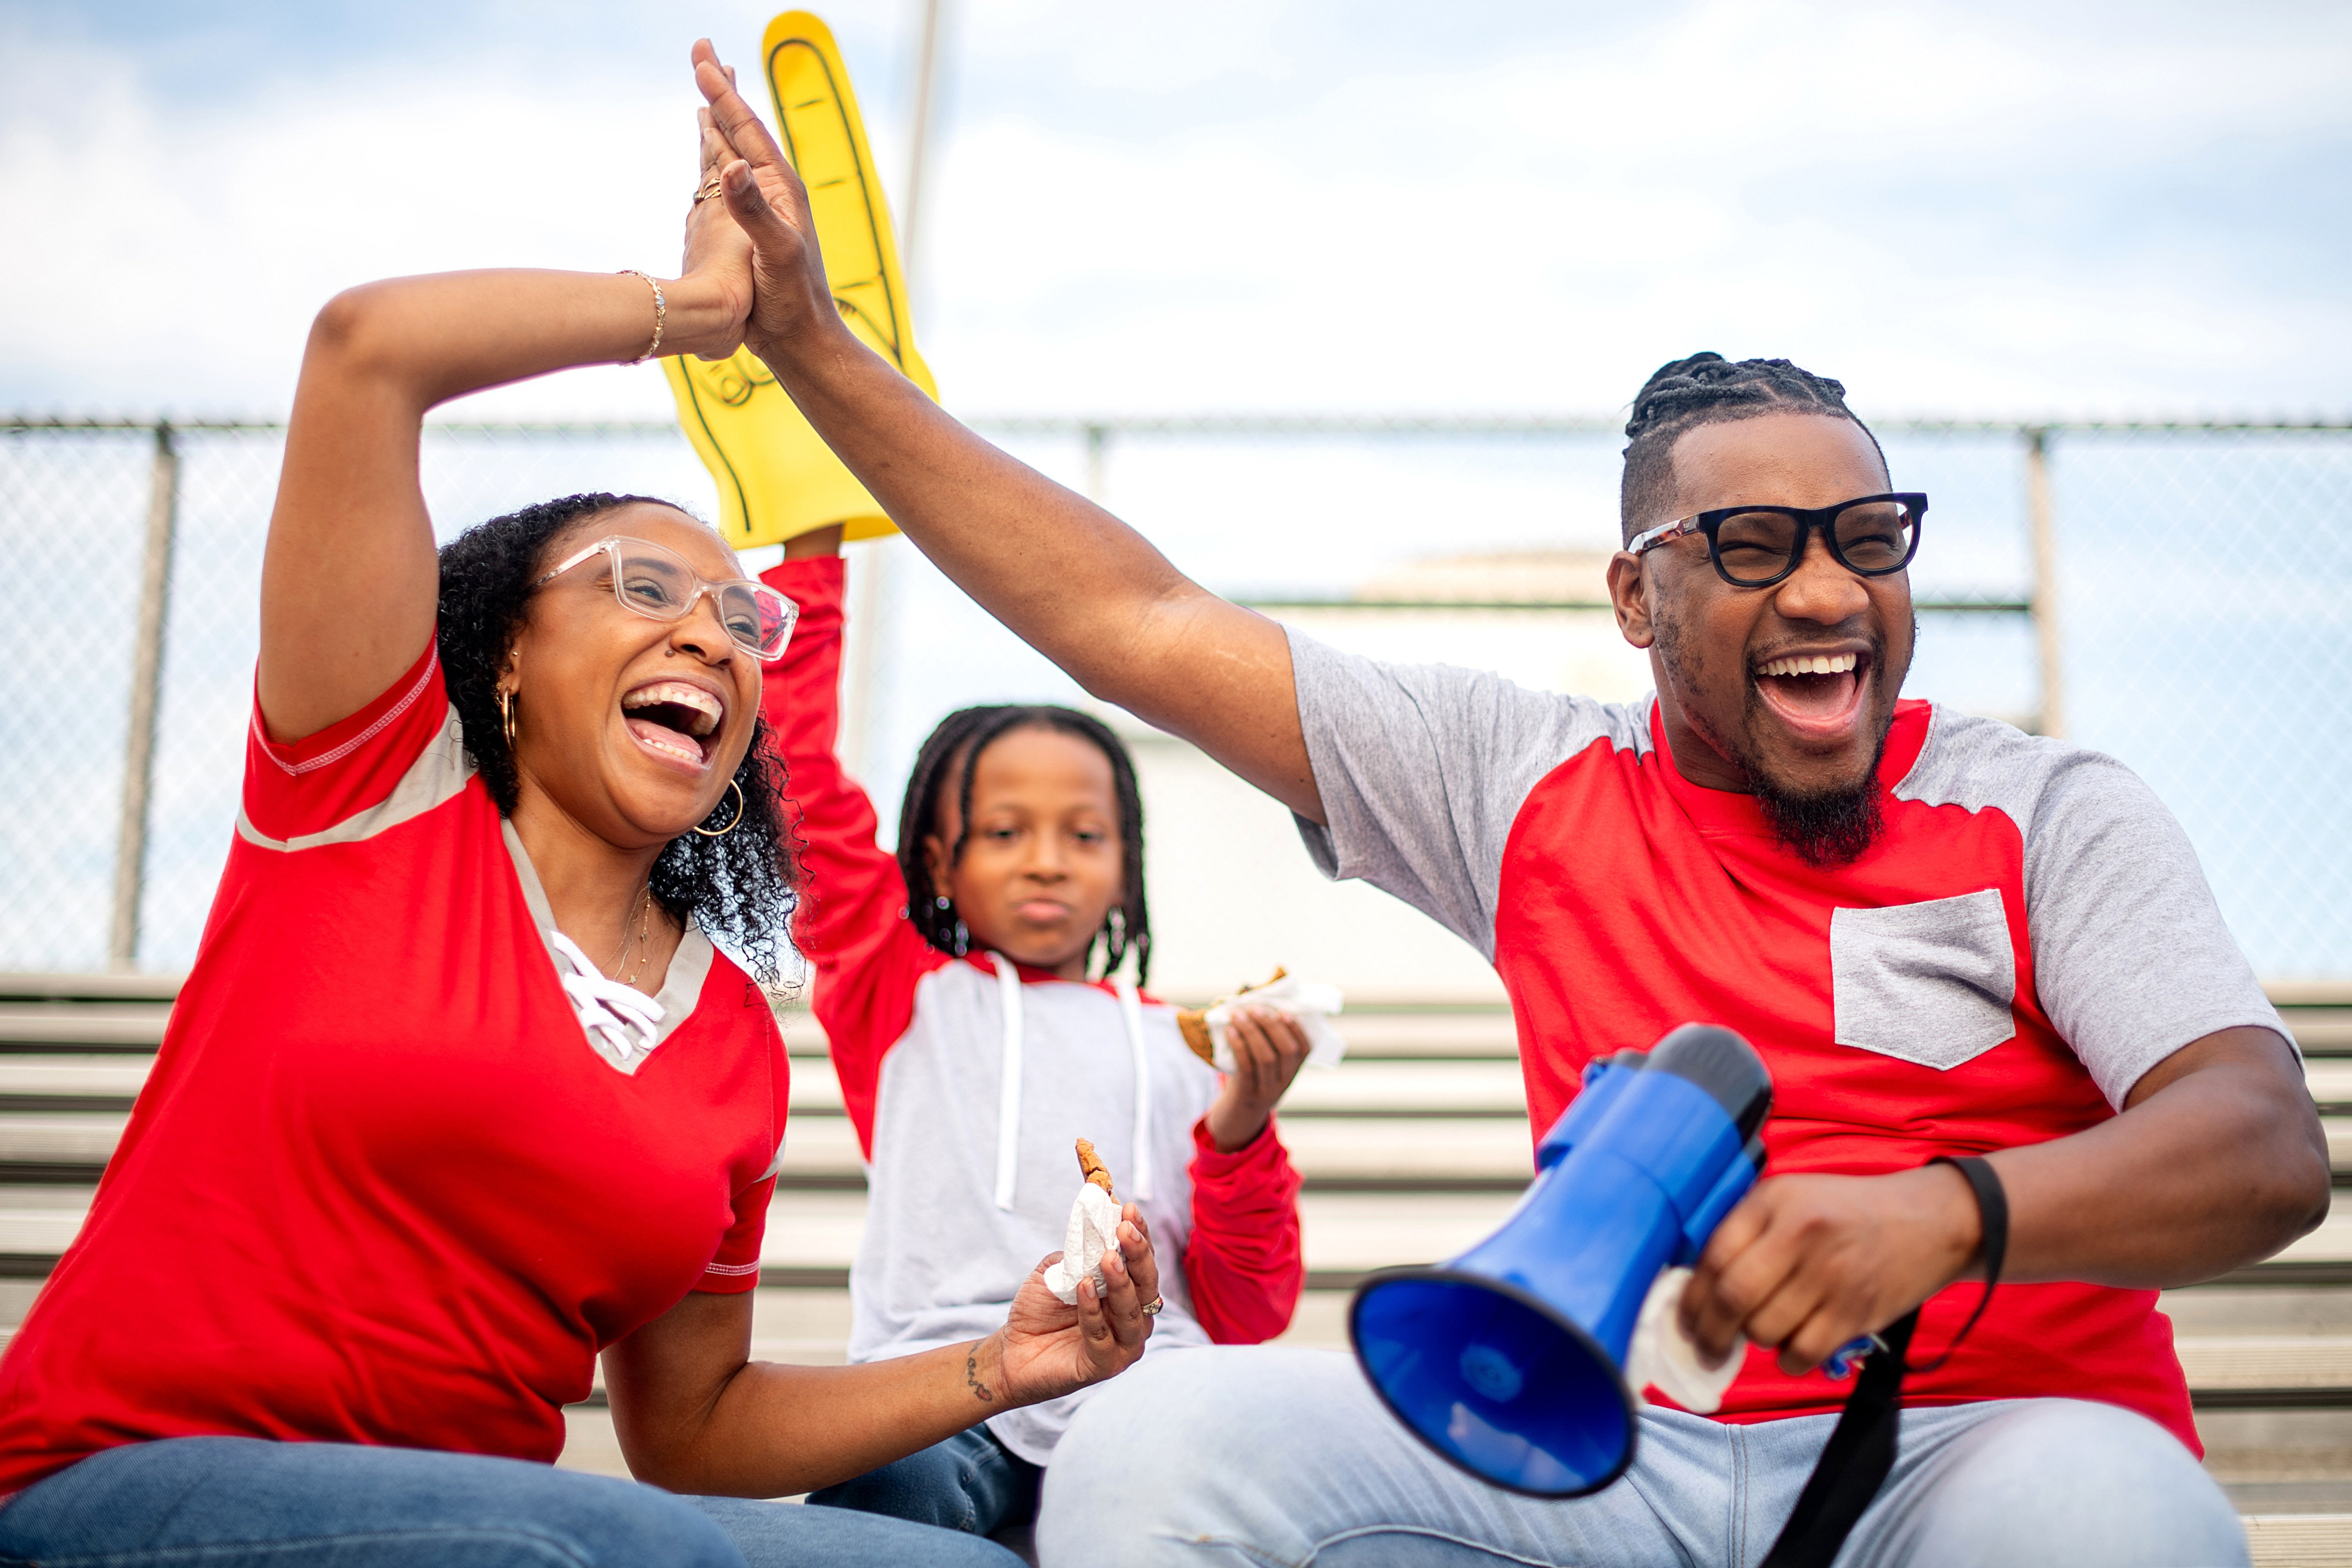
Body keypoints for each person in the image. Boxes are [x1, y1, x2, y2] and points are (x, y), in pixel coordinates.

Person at [677, 44, 2334, 1566]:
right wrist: (811, 346)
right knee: (1155, 1448)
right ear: (1634, 596)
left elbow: (2261, 1144)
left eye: (1865, 538)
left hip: (1976, 1448)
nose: (1826, 588)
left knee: (2116, 1513)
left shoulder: (2046, 810)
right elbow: (1137, 620)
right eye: (1751, 547)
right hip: (1616, 1456)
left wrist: (1947, 1213)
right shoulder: (1519, 779)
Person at [0, 106, 1164, 1568]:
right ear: (502, 650)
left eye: (742, 618)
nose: (712, 635)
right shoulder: (366, 793)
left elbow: (696, 1429)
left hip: (485, 1530)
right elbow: (368, 350)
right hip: (122, 1487)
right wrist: (699, 311)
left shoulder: (732, 1042)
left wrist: (1008, 1365)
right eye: (644, 586)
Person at [755, 530, 1309, 1539]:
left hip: (1146, 1399)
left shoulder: (1191, 1046)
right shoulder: (896, 990)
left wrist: (1242, 1127)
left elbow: (1246, 1310)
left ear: (1124, 862)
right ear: (938, 861)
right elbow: (797, 782)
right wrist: (811, 550)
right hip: (942, 1393)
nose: (1047, 860)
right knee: (886, 1499)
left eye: (1083, 835)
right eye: (1005, 832)